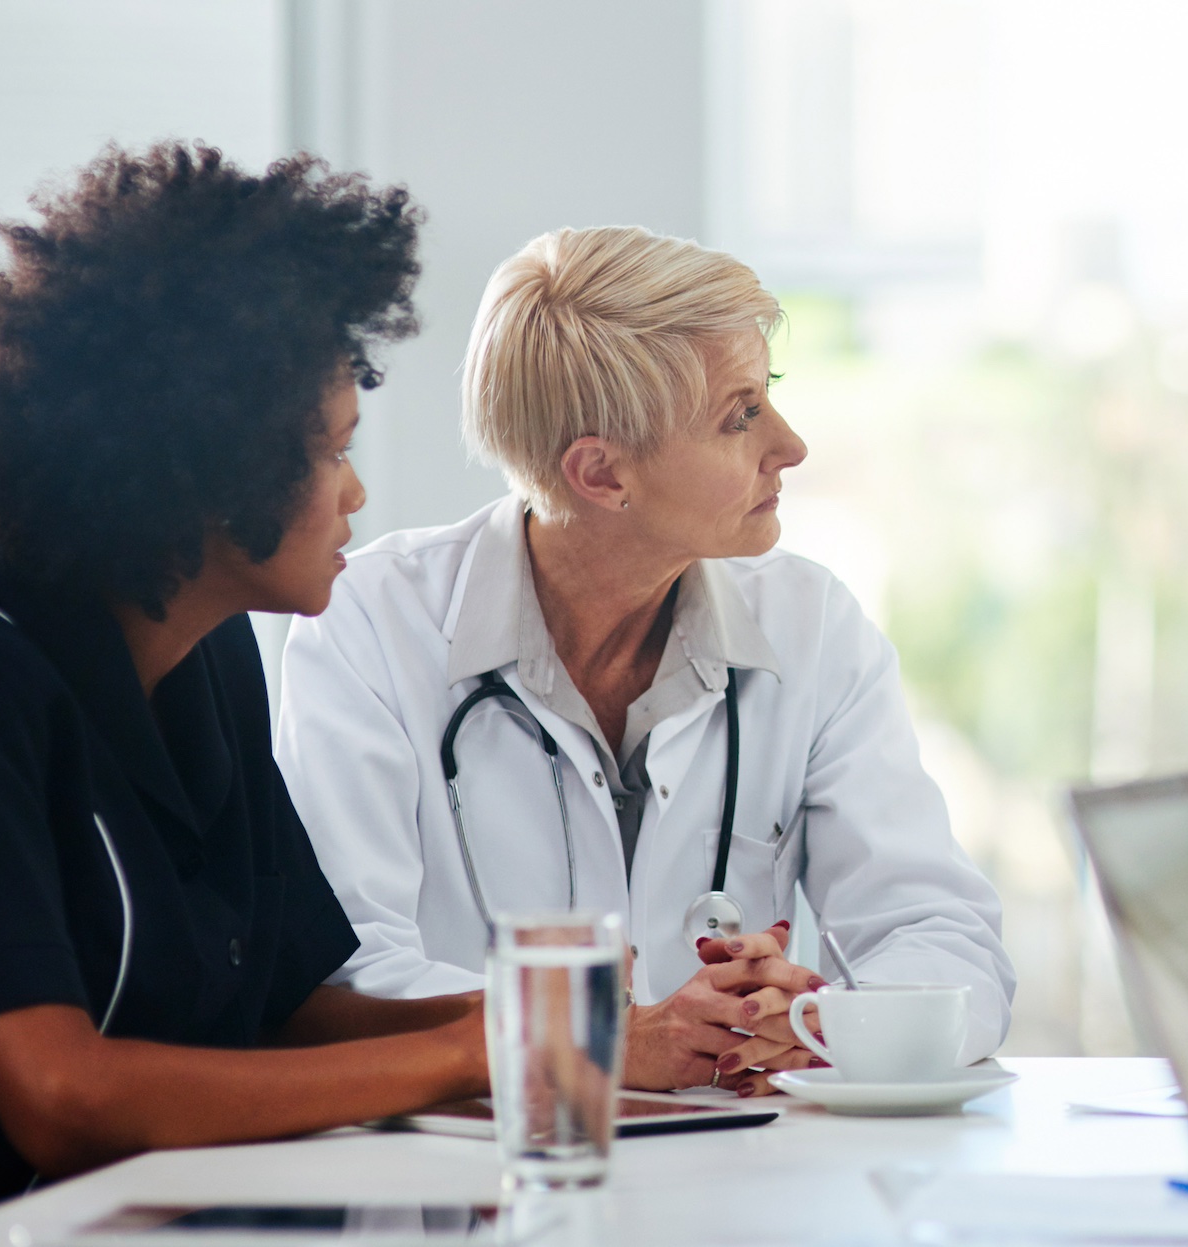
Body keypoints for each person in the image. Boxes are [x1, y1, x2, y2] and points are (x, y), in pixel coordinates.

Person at [278, 225, 1014, 1093]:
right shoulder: (369, 622)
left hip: (741, 1191)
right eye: (741, 415)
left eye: (766, 394)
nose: (790, 444)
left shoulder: (812, 625)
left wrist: (815, 1020)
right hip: (480, 1193)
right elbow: (344, 974)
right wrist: (602, 1038)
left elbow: (943, 934)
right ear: (601, 474)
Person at [0, 142, 507, 1208]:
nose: (356, 493)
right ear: (204, 471)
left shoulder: (213, 656)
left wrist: (574, 1026)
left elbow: (286, 1012)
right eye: (331, 451)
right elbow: (60, 1094)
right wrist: (466, 1054)